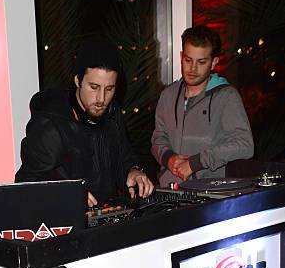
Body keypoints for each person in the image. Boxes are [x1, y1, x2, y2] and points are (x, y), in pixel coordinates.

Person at [15, 40, 153, 206]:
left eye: (109, 89)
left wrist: (134, 170)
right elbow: (26, 186)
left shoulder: (112, 114)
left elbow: (125, 155)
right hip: (68, 226)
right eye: (94, 87)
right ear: (77, 81)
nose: (101, 99)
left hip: (108, 221)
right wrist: (66, 194)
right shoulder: (51, 125)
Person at [151, 25, 254, 186]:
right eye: (188, 60)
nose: (192, 69)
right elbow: (158, 138)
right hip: (170, 192)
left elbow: (244, 145)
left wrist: (196, 163)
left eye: (201, 62)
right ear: (181, 56)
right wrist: (168, 158)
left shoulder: (226, 97)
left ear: (213, 63)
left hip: (209, 194)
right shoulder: (168, 95)